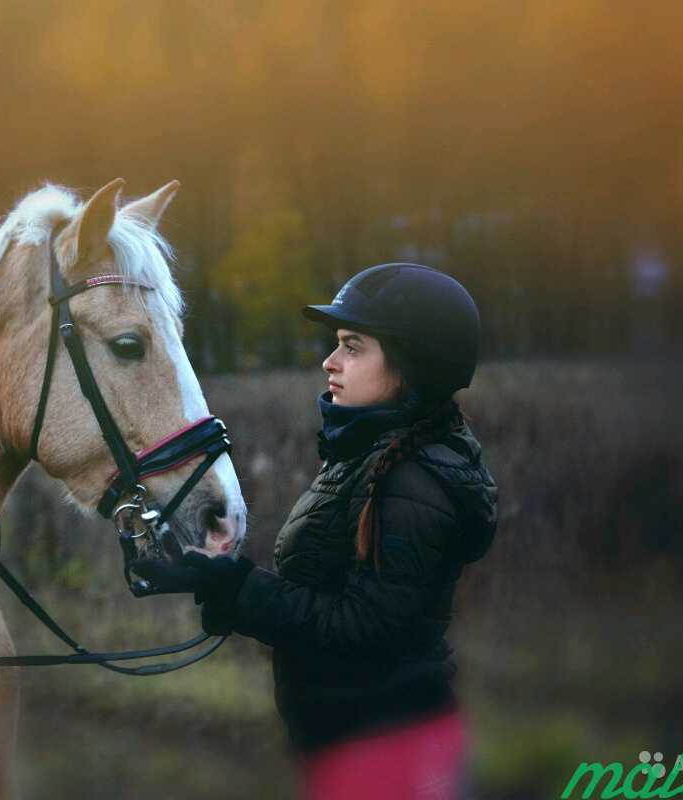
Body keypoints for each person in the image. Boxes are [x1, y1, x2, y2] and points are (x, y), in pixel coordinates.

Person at [134, 263, 499, 799]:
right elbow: (332, 605)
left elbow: (364, 630)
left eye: (353, 347)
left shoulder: (413, 477)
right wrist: (225, 588)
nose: (330, 362)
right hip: (356, 742)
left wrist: (239, 588)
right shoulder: (371, 455)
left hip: (386, 751)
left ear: (411, 365)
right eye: (336, 344)